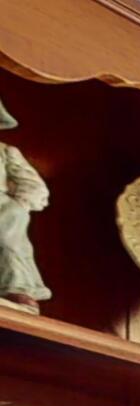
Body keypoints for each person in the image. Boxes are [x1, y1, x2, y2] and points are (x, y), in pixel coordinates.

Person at [0, 101, 49, 314]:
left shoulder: (6, 152)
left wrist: (19, 205)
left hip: (2, 207)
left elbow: (32, 184)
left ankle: (17, 287)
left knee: (8, 237)